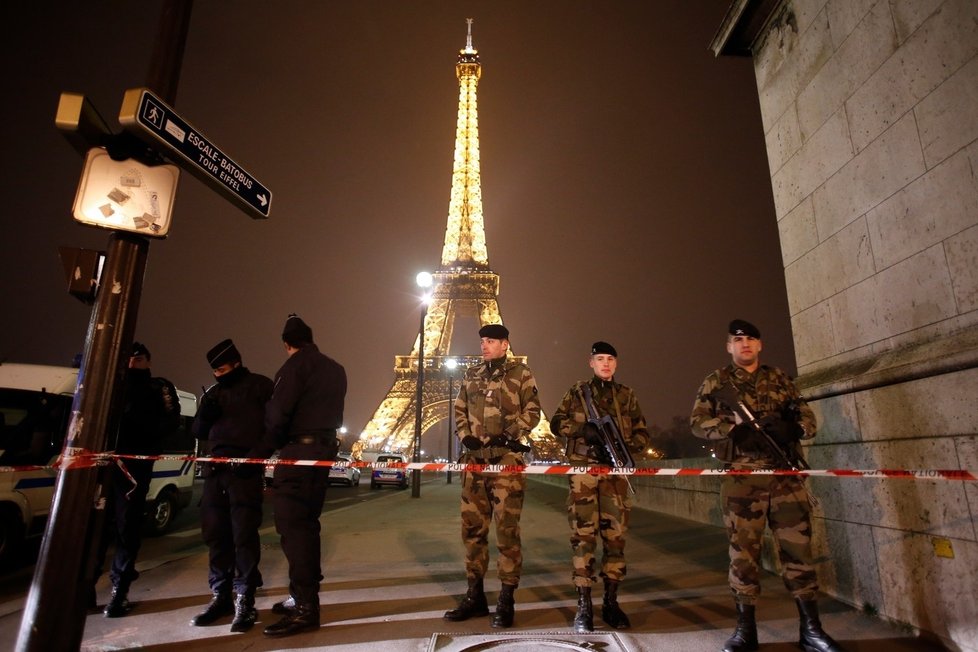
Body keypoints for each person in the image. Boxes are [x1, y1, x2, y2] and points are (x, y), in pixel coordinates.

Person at [690, 319, 844, 652]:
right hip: (743, 479)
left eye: (751, 339)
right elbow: (698, 424)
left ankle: (811, 630)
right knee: (744, 558)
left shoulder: (779, 378)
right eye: (738, 339)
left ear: (760, 345)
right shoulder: (717, 381)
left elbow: (806, 416)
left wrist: (794, 428)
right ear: (729, 346)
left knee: (799, 554)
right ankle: (746, 631)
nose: (744, 344)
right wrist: (734, 424)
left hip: (784, 477)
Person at [443, 323, 541, 628]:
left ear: (505, 344)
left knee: (507, 531)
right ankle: (475, 596)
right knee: (472, 530)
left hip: (506, 464)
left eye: (491, 341)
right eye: (483, 341)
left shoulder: (521, 374)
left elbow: (534, 411)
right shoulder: (472, 373)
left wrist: (508, 435)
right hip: (475, 464)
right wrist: (464, 436)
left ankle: (506, 598)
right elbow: (459, 409)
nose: (484, 345)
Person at [549, 341, 650, 633]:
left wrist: (624, 449)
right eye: (600, 359)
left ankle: (610, 601)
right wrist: (584, 431)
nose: (605, 363)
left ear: (615, 364)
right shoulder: (579, 392)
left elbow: (643, 432)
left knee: (615, 538)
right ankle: (584, 605)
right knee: (583, 537)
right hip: (584, 472)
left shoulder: (626, 396)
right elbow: (556, 423)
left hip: (616, 474)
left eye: (610, 359)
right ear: (590, 363)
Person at [262, 314, 347, 638]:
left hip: (299, 454)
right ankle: (302, 595)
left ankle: (305, 608)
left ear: (287, 344)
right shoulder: (335, 369)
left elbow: (277, 414)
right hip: (323, 454)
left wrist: (265, 449)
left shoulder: (293, 368)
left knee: (293, 529)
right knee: (307, 526)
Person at [190, 339, 274, 632]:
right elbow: (198, 431)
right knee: (215, 534)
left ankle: (245, 598)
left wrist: (255, 458)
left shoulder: (262, 387)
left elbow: (274, 428)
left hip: (245, 471)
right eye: (214, 371)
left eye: (223, 369)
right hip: (216, 471)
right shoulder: (213, 393)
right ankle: (220, 594)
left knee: (243, 536)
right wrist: (206, 415)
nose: (218, 375)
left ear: (237, 364)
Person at [98, 341, 180, 617]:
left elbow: (171, 421)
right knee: (94, 530)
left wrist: (144, 432)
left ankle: (119, 592)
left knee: (127, 527)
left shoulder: (159, 387)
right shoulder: (112, 384)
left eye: (139, 358)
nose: (134, 363)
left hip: (135, 466)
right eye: (130, 359)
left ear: (148, 360)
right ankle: (85, 588)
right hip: (105, 464)